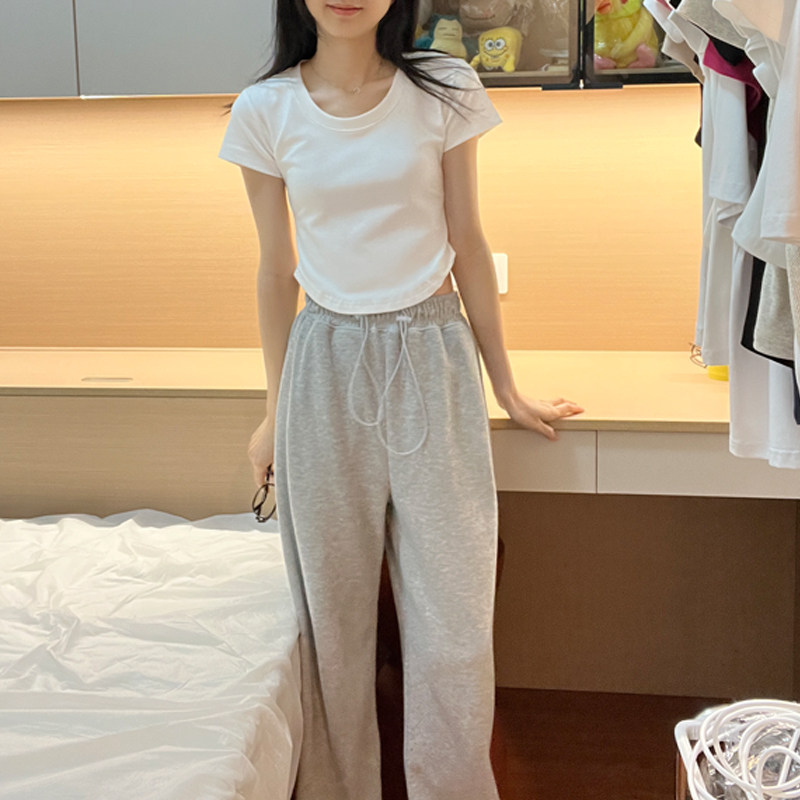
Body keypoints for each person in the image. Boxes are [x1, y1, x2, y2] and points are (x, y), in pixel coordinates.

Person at [217, 0, 584, 796]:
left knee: (455, 624)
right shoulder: (265, 109)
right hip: (323, 363)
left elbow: (468, 242)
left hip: (432, 354)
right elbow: (275, 271)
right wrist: (275, 413)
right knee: (333, 628)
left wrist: (506, 386)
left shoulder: (443, 89)